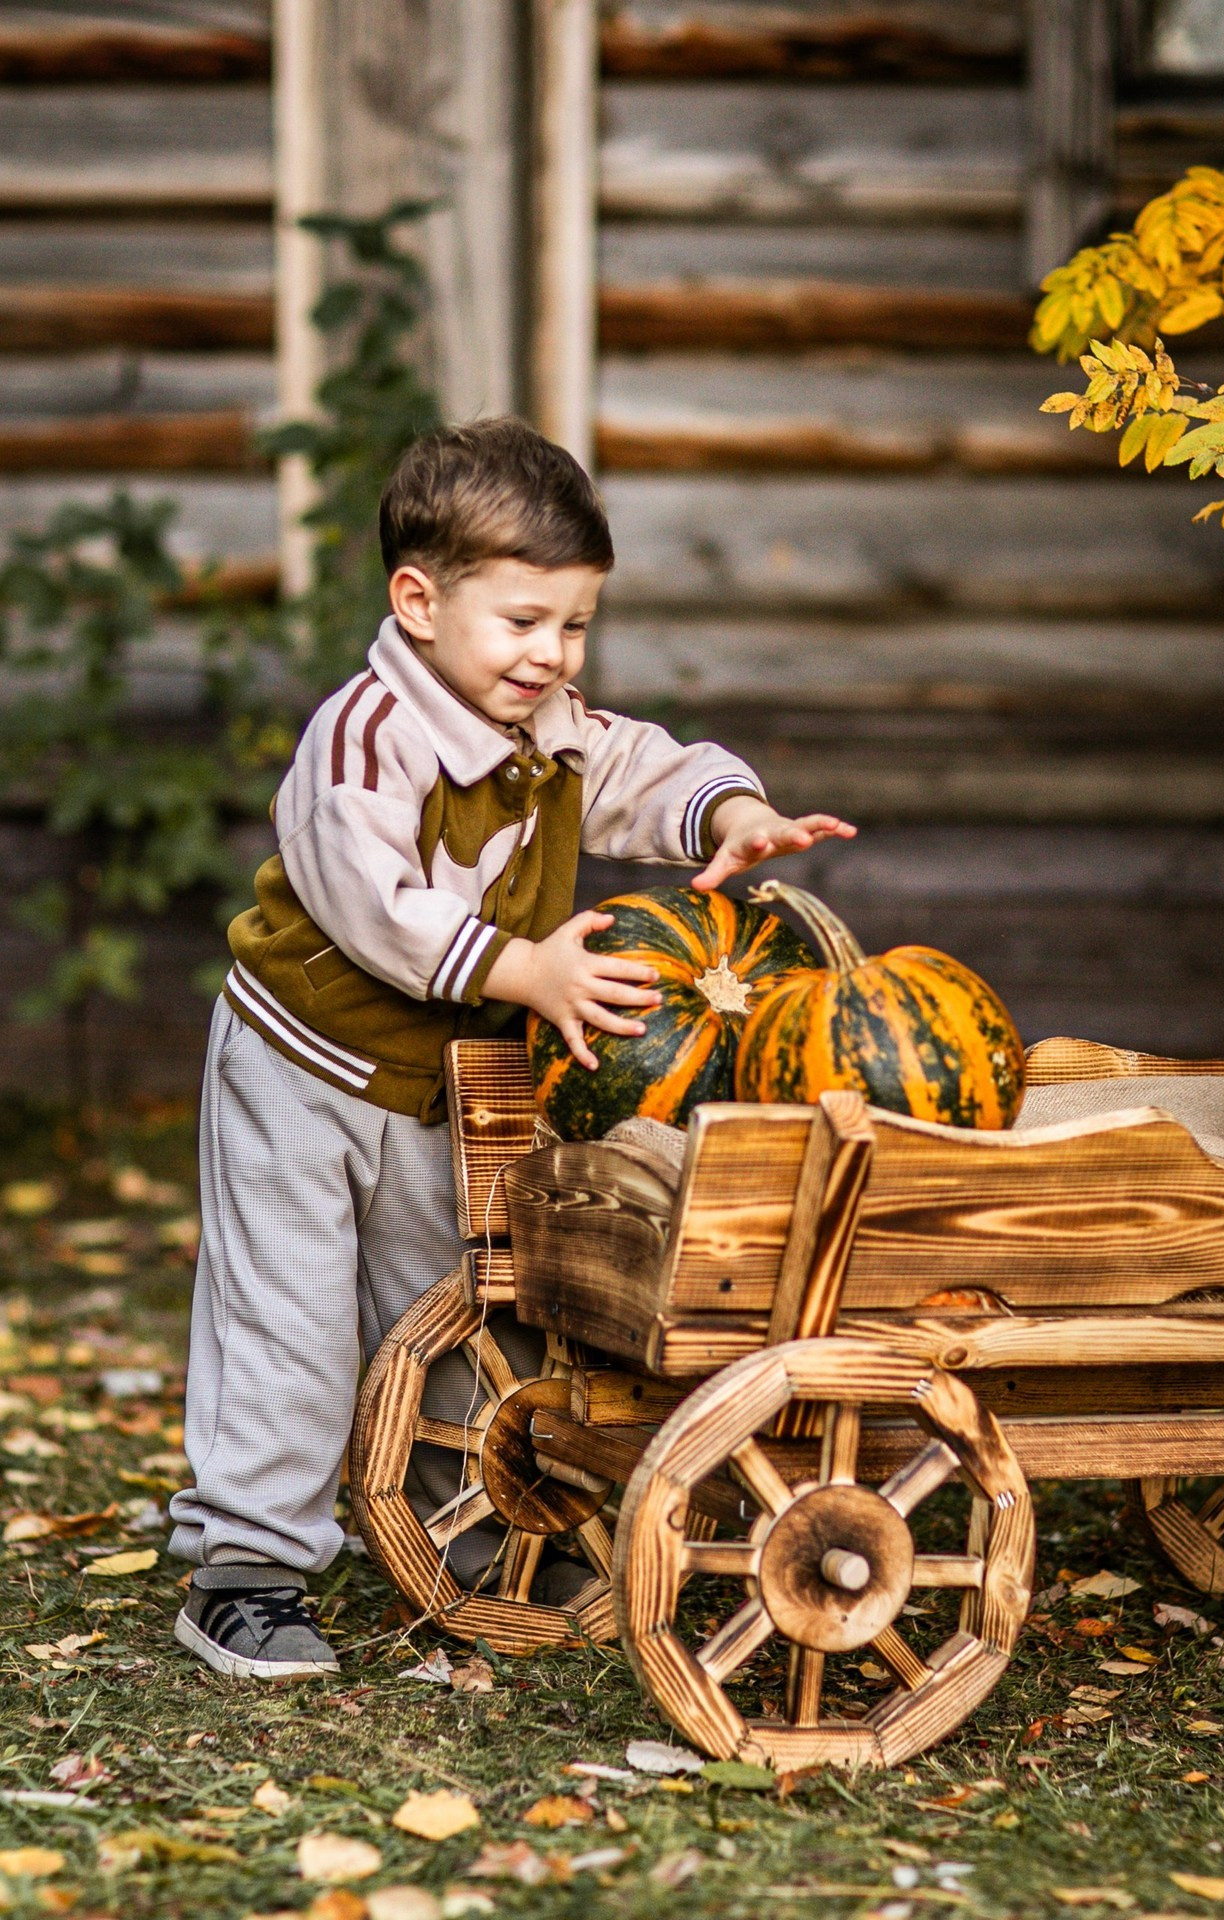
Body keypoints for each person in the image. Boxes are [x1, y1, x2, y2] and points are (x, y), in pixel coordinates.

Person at [168, 417, 855, 1677]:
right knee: (286, 1310)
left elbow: (639, 765)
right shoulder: (363, 738)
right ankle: (246, 1565)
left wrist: (733, 807)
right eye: (524, 622)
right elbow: (372, 896)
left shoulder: (544, 725)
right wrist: (525, 967)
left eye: (575, 625)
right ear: (418, 601)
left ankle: (466, 1523)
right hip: (299, 1063)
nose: (551, 656)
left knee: (455, 1300)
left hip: (437, 1081)